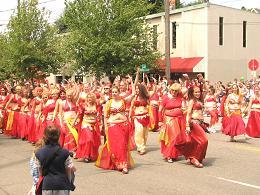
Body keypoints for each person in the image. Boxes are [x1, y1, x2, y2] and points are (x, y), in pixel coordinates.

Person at [96, 86, 134, 174]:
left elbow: (133, 94)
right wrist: (105, 127)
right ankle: (116, 163)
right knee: (115, 145)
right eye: (112, 92)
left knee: (123, 145)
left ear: (119, 92)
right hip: (112, 126)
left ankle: (123, 165)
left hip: (124, 125)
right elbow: (105, 116)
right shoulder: (109, 103)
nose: (114, 93)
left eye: (115, 92)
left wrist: (134, 81)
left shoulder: (123, 101)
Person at [35, 125, 76, 195]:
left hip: (47, 185)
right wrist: (69, 182)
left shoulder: (39, 153)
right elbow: (69, 169)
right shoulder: (65, 152)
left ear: (45, 136)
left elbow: (40, 172)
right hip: (62, 185)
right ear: (58, 136)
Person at [158, 83, 186, 163]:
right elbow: (160, 109)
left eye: (176, 91)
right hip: (169, 120)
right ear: (170, 90)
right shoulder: (166, 97)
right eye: (173, 90)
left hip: (179, 120)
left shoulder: (180, 97)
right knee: (172, 137)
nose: (174, 92)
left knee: (177, 137)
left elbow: (184, 107)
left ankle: (174, 154)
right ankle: (169, 155)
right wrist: (160, 121)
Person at [181, 86, 208, 168]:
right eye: (195, 92)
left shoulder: (199, 100)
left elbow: (206, 90)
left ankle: (195, 157)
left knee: (196, 142)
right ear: (192, 93)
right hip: (194, 122)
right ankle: (194, 158)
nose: (198, 93)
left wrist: (202, 81)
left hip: (200, 123)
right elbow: (188, 113)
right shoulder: (192, 101)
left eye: (199, 92)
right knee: (204, 141)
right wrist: (187, 125)